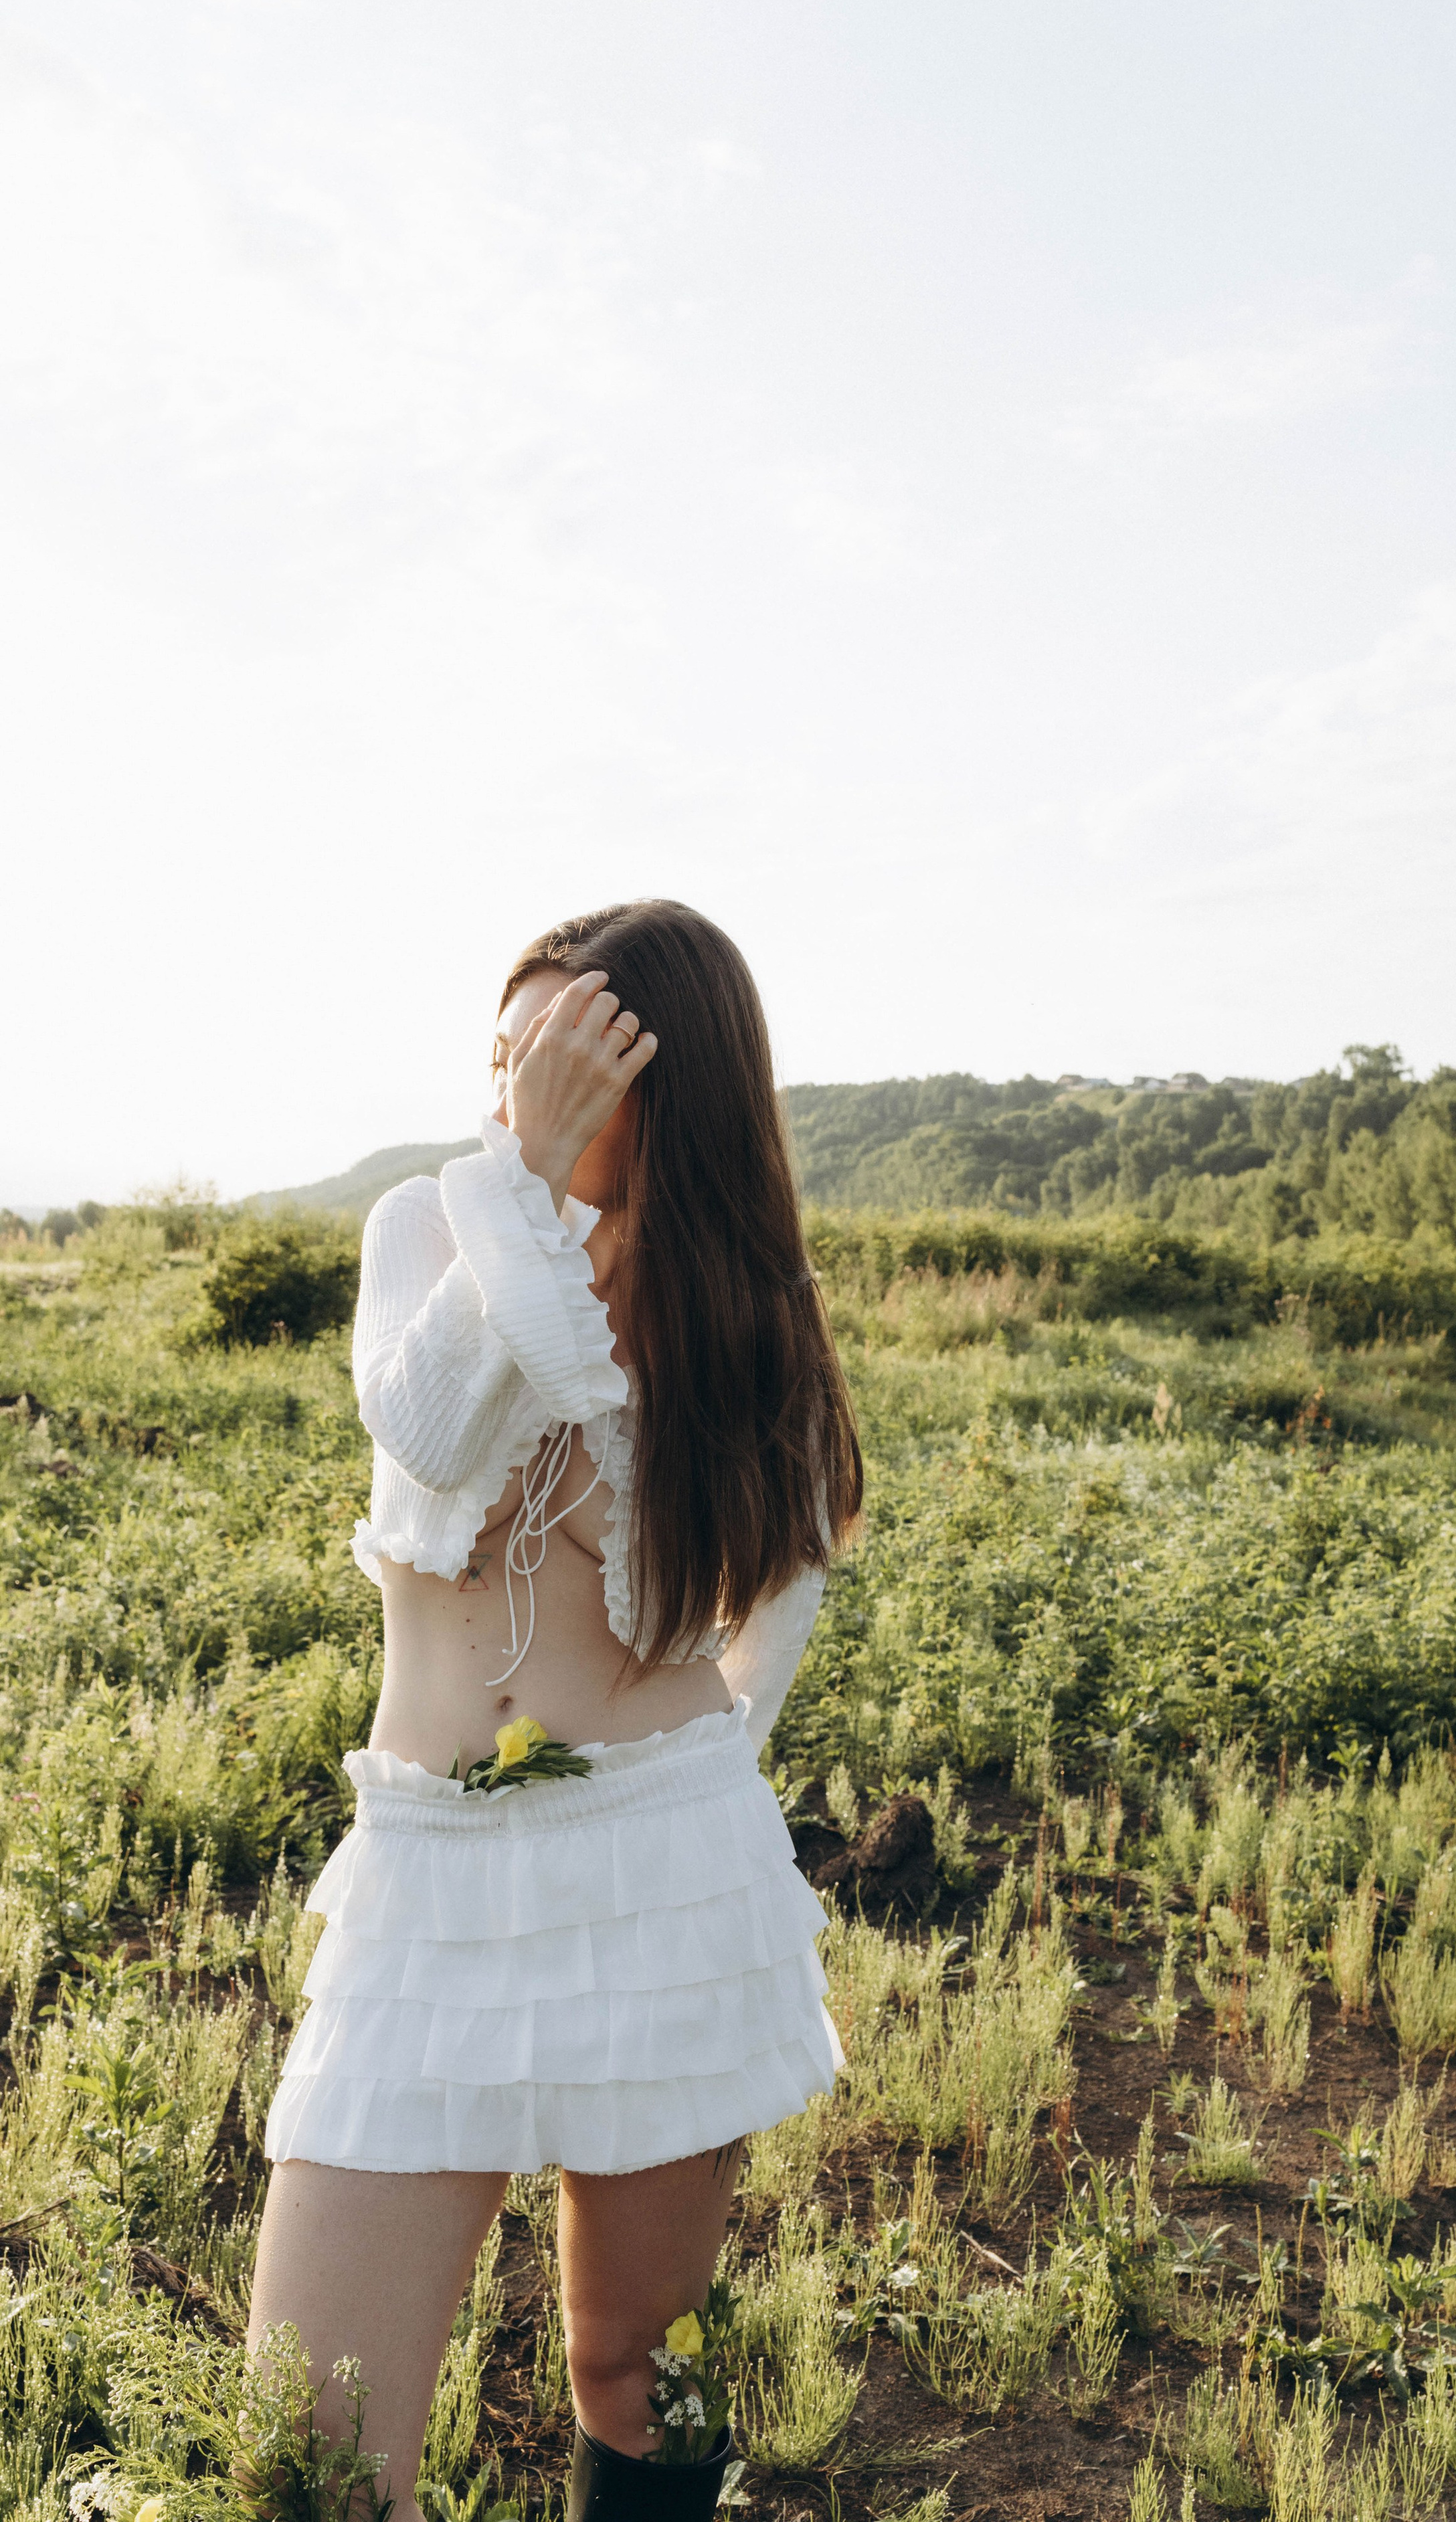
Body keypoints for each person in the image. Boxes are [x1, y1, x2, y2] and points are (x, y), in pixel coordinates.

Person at [251, 900, 862, 2519]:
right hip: (427, 1884)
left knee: (636, 2370)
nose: (518, 1091)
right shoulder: (429, 1227)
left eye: (567, 1058)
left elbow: (790, 1573)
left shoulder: (741, 1300)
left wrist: (712, 1774)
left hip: (659, 1870)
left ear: (671, 1081)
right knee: (314, 2437)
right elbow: (437, 1429)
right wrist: (521, 1170)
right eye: (507, 1056)